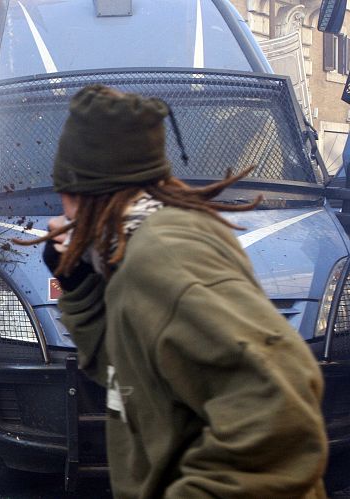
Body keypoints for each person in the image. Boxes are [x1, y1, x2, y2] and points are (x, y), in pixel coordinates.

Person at [26, 85, 328, 498]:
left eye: (65, 191)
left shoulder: (163, 253)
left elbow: (278, 403)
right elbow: (124, 374)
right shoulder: (135, 248)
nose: (62, 211)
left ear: (86, 190)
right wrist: (79, 285)